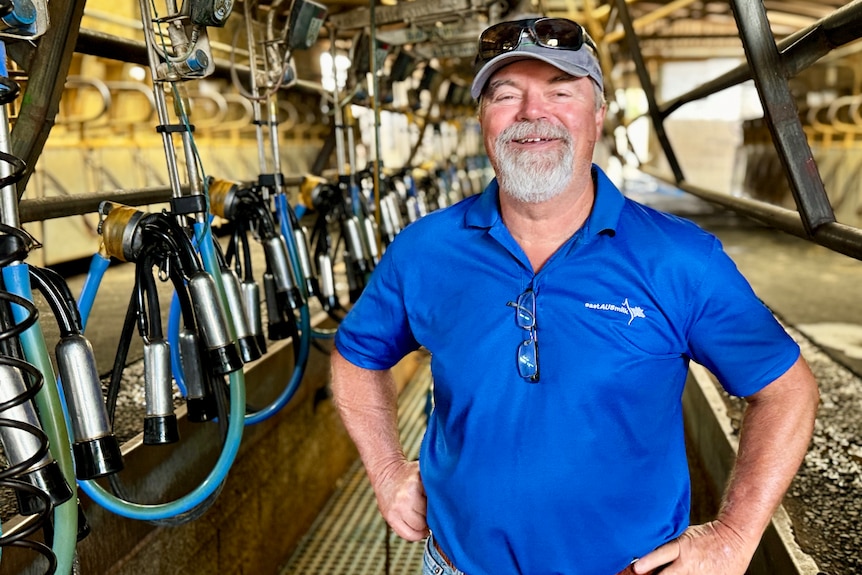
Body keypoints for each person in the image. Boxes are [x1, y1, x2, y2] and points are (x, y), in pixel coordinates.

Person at [330, 16, 819, 575]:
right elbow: (357, 356)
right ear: (484, 120)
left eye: (560, 92)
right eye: (505, 95)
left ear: (598, 115)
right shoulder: (426, 250)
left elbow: (787, 391)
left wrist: (734, 535)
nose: (532, 114)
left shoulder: (679, 259)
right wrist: (388, 470)